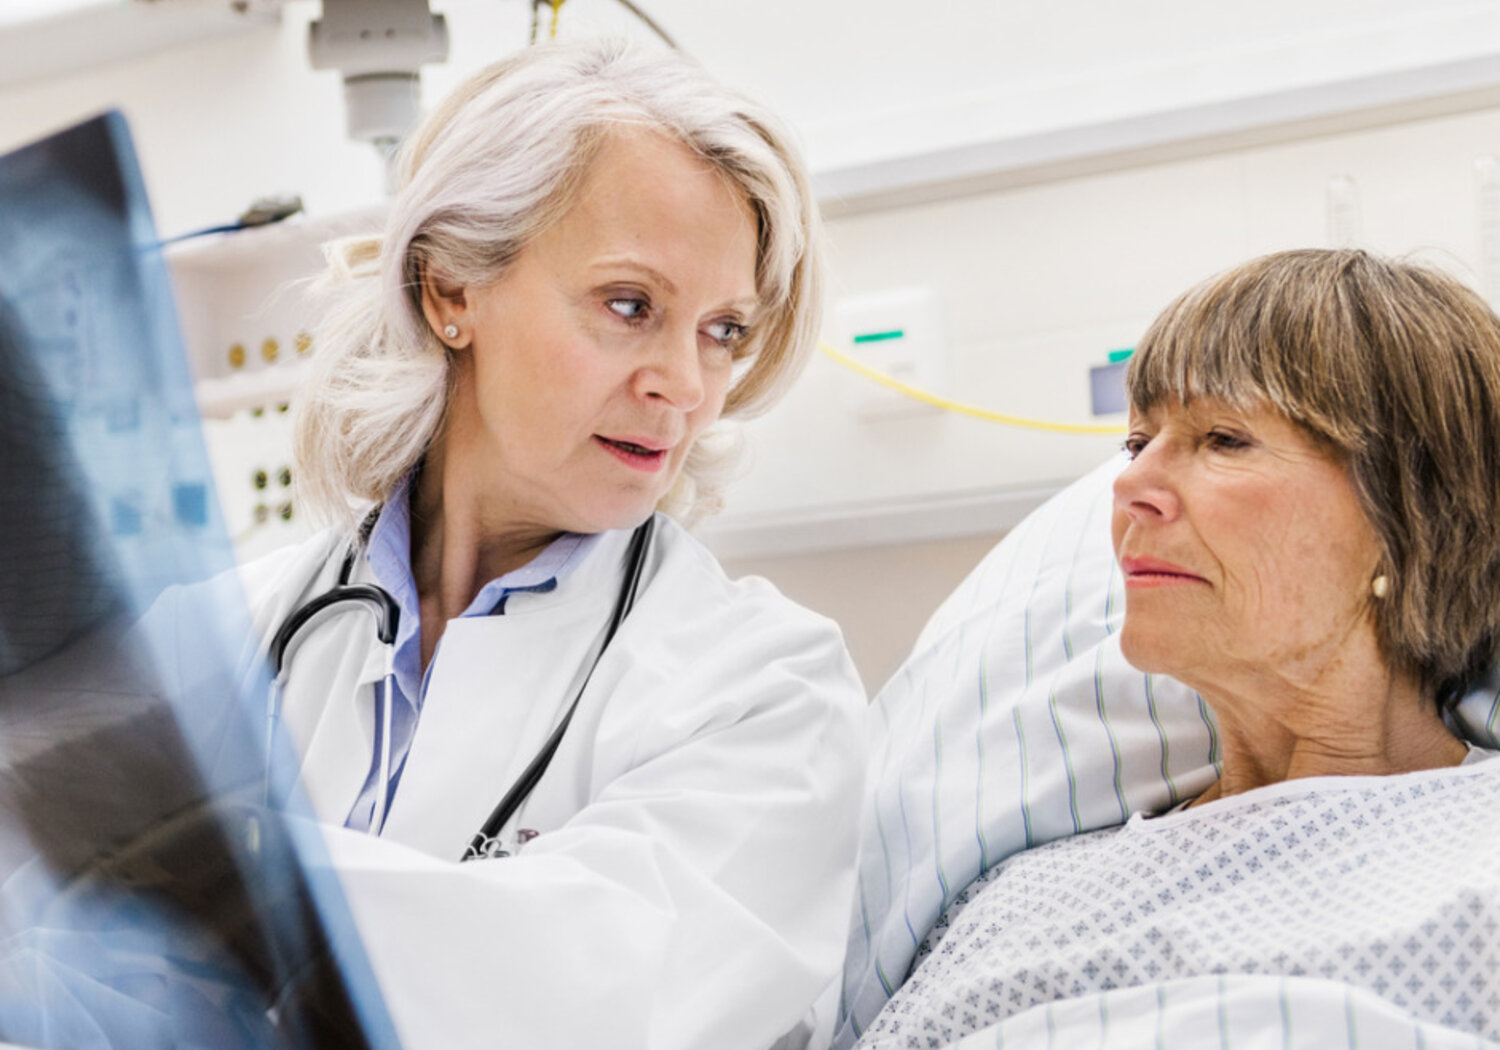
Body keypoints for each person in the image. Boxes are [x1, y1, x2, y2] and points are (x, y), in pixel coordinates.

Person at [233, 39, 866, 1050]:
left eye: (723, 331)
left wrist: (208, 875)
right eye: (630, 306)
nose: (684, 385)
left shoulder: (768, 691)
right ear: (450, 290)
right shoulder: (219, 635)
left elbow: (590, 1003)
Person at [849, 249, 1500, 1047]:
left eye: (1223, 438)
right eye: (1137, 443)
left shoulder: (1480, 856)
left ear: (1412, 513)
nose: (1128, 487)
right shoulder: (1014, 901)